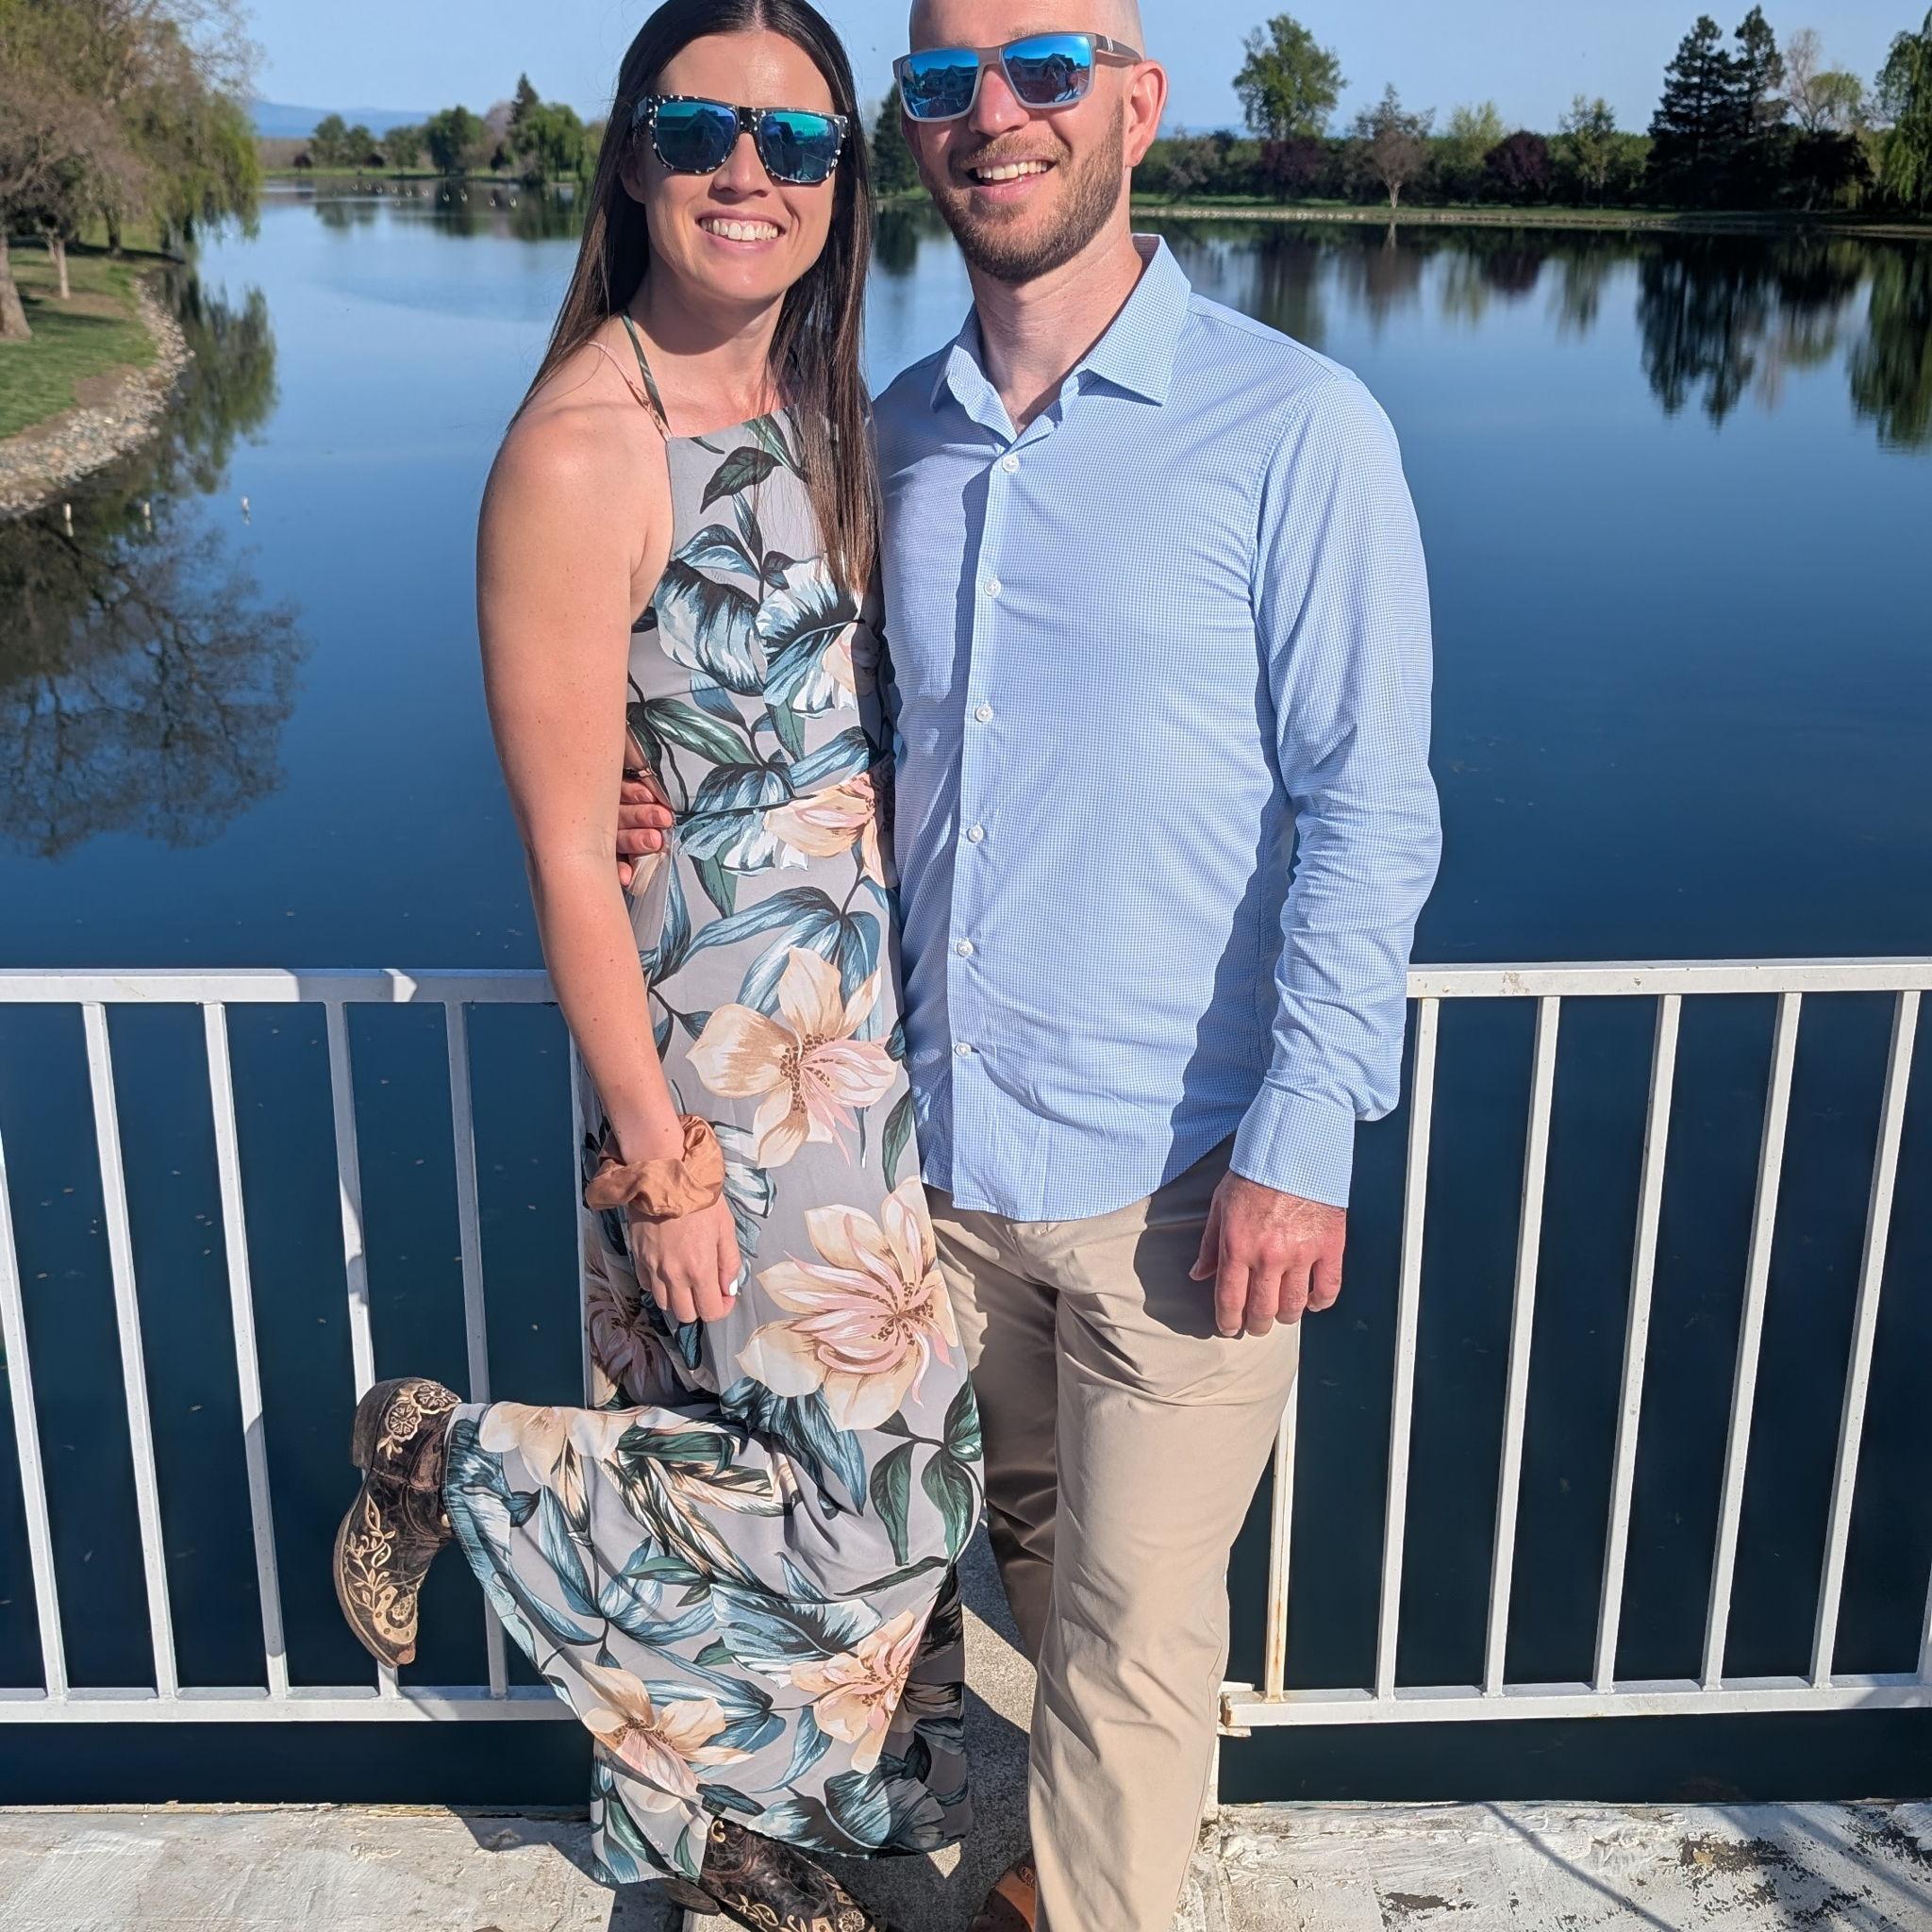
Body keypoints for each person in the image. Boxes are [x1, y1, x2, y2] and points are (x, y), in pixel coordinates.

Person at [622, 4, 1442, 1927]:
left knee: (1135, 1637)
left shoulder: (1295, 428)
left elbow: (1367, 803)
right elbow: (818, 728)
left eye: (1044, 69)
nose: (994, 115)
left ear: (1136, 106)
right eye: (943, 82)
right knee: (977, 1576)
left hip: (1185, 1185)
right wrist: (641, 785)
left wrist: (1306, 1128)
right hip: (928, 1178)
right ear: (913, 132)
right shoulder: (885, 435)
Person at [329, 7, 983, 1930]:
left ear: (844, 182)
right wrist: (659, 1155)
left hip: (856, 1033)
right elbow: (564, 849)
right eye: (702, 131)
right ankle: (453, 1459)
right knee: (861, 1483)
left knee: (829, 1456)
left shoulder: (824, 407)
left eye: (798, 142)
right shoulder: (576, 450)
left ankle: (721, 1828)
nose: (747, 173)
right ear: (632, 156)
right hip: (714, 1058)